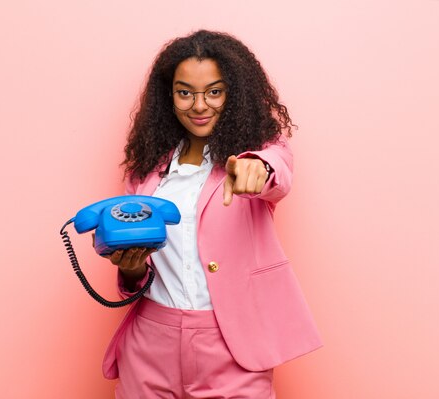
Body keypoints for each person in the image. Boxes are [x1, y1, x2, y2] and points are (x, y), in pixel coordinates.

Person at [98, 30, 322, 398]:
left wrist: (256, 169)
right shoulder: (147, 169)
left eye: (214, 92)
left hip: (232, 346)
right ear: (168, 97)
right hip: (150, 341)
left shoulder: (263, 151)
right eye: (185, 92)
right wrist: (131, 265)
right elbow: (140, 275)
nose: (199, 105)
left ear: (234, 95)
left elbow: (276, 172)